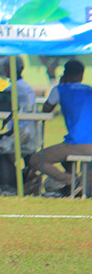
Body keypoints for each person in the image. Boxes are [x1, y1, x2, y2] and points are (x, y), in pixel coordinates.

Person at [28, 59, 92, 191]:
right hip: (86, 143)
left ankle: (70, 180)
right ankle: (79, 185)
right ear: (82, 75)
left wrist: (61, 84)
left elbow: (46, 110)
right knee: (65, 156)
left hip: (77, 144)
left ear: (65, 74)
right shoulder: (89, 90)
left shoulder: (59, 90)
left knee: (35, 160)